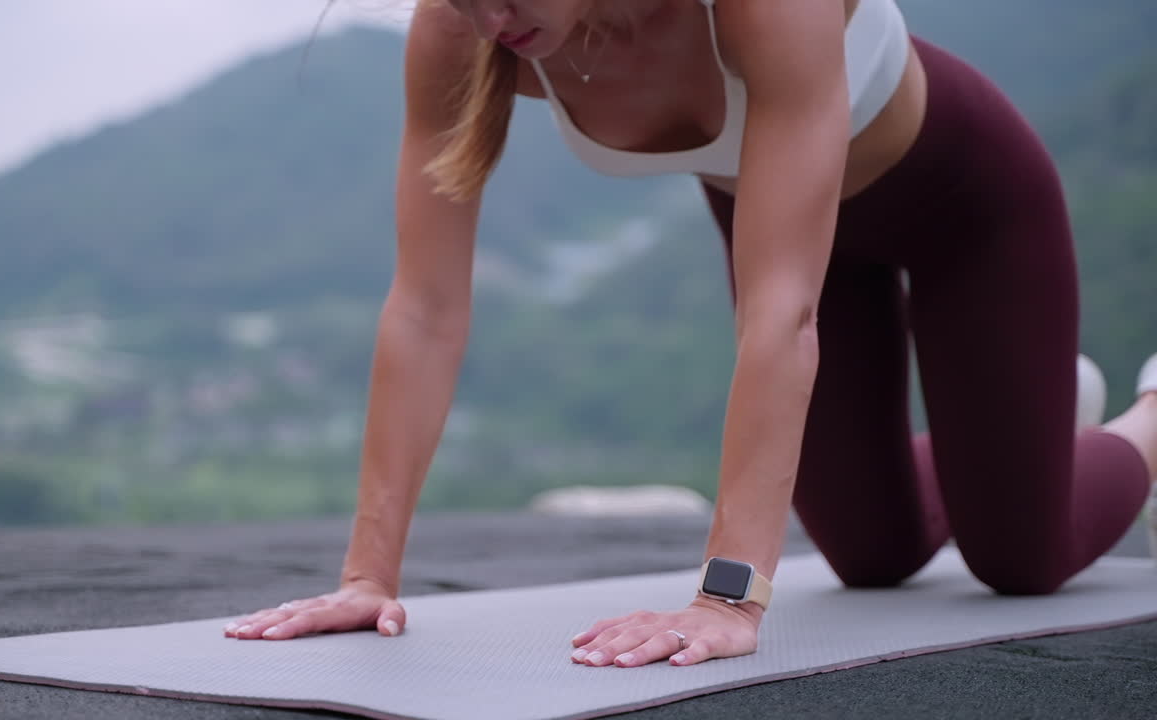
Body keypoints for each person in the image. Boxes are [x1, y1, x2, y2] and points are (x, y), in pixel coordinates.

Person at [223, 0, 1157, 668]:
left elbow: (780, 312)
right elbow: (426, 310)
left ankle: (1140, 415)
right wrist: (367, 578)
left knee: (1020, 559)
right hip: (793, 244)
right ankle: (1026, 430)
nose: (487, 16)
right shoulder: (462, 27)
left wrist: (725, 600)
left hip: (968, 215)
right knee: (871, 556)